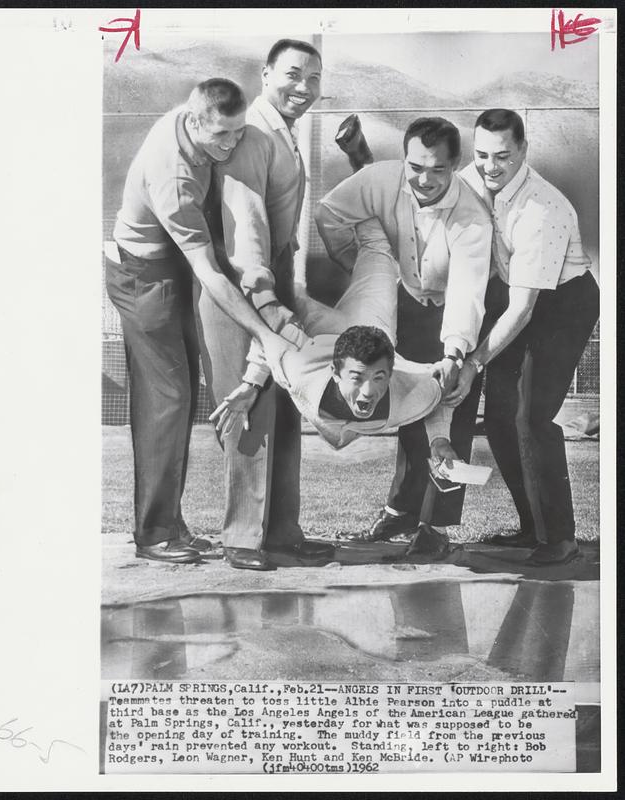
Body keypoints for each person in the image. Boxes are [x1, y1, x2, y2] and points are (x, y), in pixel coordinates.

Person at [106, 79, 295, 565]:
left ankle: (171, 524)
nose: (231, 146)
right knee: (166, 401)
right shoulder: (173, 175)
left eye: (238, 134)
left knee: (182, 398)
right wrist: (263, 333)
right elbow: (209, 271)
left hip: (174, 266)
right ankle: (152, 534)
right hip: (146, 277)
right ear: (194, 122)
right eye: (221, 137)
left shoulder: (200, 123)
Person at [313, 117, 493, 542]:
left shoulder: (473, 218)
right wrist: (357, 266)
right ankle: (399, 512)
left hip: (457, 309)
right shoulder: (380, 179)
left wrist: (454, 353)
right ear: (403, 159)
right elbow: (330, 214)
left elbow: (468, 288)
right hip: (406, 299)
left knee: (450, 405)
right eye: (416, 167)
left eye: (438, 169)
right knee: (408, 405)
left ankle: (437, 527)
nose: (425, 179)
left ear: (456, 165)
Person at [197, 39, 334, 571]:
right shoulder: (253, 133)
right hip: (243, 284)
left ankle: (281, 532)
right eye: (293, 75)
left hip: (273, 277)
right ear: (266, 73)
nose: (304, 87)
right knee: (248, 403)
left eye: (314, 78)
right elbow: (245, 223)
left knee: (282, 401)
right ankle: (242, 538)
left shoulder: (282, 129)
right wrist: (264, 300)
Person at [450, 108, 599, 566]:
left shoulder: (543, 208)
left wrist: (474, 360)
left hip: (562, 304)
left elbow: (524, 307)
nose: (491, 167)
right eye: (482, 156)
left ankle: (560, 537)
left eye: (503, 157)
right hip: (518, 297)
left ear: (524, 151)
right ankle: (531, 526)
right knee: (497, 418)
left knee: (532, 417)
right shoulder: (472, 177)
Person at [211, 225, 456, 470]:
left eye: (379, 377)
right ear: (336, 373)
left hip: (371, 320)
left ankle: (375, 208)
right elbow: (270, 329)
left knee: (378, 249)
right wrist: (252, 382)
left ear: (390, 373)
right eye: (358, 377)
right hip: (321, 333)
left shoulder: (412, 393)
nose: (369, 391)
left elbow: (442, 391)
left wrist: (439, 438)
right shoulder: (301, 369)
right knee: (281, 296)